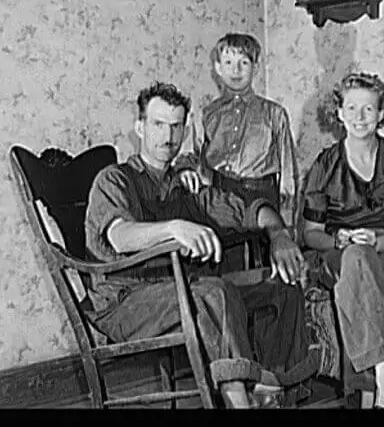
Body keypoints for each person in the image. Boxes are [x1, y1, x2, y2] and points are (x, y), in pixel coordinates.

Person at [84, 81, 316, 409]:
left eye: (177, 126)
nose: (168, 136)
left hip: (186, 290)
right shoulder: (114, 179)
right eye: (158, 124)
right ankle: (240, 404)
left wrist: (279, 235)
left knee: (282, 285)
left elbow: (250, 210)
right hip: (125, 302)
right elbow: (120, 236)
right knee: (213, 292)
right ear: (140, 127)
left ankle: (273, 393)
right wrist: (174, 228)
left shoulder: (188, 187)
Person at [300, 72, 384, 409]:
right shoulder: (325, 164)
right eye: (351, 109)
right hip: (340, 251)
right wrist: (339, 239)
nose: (359, 118)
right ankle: (382, 370)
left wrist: (376, 241)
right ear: (339, 113)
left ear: (382, 114)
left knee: (361, 264)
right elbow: (310, 234)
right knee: (355, 260)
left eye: (368, 109)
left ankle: (370, 390)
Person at [175, 33, 298, 225]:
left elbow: (288, 173)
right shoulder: (207, 114)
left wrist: (287, 223)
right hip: (220, 197)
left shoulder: (274, 114)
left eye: (244, 63)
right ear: (218, 68)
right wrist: (185, 170)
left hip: (261, 196)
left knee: (263, 251)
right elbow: (189, 152)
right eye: (228, 62)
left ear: (255, 68)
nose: (236, 70)